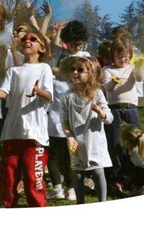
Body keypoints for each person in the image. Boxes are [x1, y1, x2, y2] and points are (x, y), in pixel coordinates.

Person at [0, 29, 53, 208]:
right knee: (8, 173)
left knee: (32, 177)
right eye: (24, 40)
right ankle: (7, 205)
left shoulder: (44, 68)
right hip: (12, 131)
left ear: (42, 48)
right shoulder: (13, 71)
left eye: (33, 39)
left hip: (35, 134)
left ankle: (37, 207)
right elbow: (4, 92)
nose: (27, 41)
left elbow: (49, 95)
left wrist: (39, 91)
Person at [45, 20, 90, 202]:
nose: (76, 47)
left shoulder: (85, 55)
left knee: (72, 153)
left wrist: (61, 72)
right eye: (73, 44)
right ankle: (57, 187)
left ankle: (71, 188)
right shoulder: (60, 53)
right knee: (54, 151)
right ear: (66, 41)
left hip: (75, 109)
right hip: (56, 108)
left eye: (79, 43)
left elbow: (84, 74)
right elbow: (48, 68)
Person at [59, 57, 113, 204]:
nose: (75, 72)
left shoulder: (97, 94)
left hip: (95, 142)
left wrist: (100, 112)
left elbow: (109, 118)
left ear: (91, 73)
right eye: (73, 69)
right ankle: (80, 203)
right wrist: (69, 137)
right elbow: (64, 120)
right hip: (77, 142)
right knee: (77, 174)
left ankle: (102, 202)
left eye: (80, 70)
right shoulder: (67, 97)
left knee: (97, 172)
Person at [102, 38, 144, 190]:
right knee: (115, 144)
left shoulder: (132, 67)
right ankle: (116, 178)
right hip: (114, 109)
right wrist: (112, 82)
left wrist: (139, 67)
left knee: (133, 142)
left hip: (131, 109)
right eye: (119, 57)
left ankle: (132, 176)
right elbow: (108, 89)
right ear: (113, 56)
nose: (123, 59)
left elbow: (139, 78)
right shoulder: (107, 69)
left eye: (125, 56)